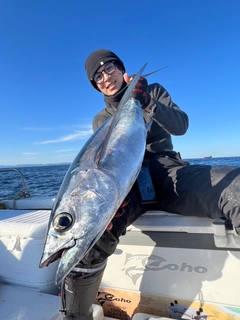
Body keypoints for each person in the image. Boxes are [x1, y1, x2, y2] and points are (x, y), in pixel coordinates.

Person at [60, 49, 240, 319]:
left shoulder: (152, 90)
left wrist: (147, 102)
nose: (105, 77)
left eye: (109, 68)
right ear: (95, 85)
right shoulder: (100, 120)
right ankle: (75, 316)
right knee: (89, 236)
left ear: (121, 69)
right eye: (97, 76)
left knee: (236, 187)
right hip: (126, 183)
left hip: (168, 172)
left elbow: (181, 126)